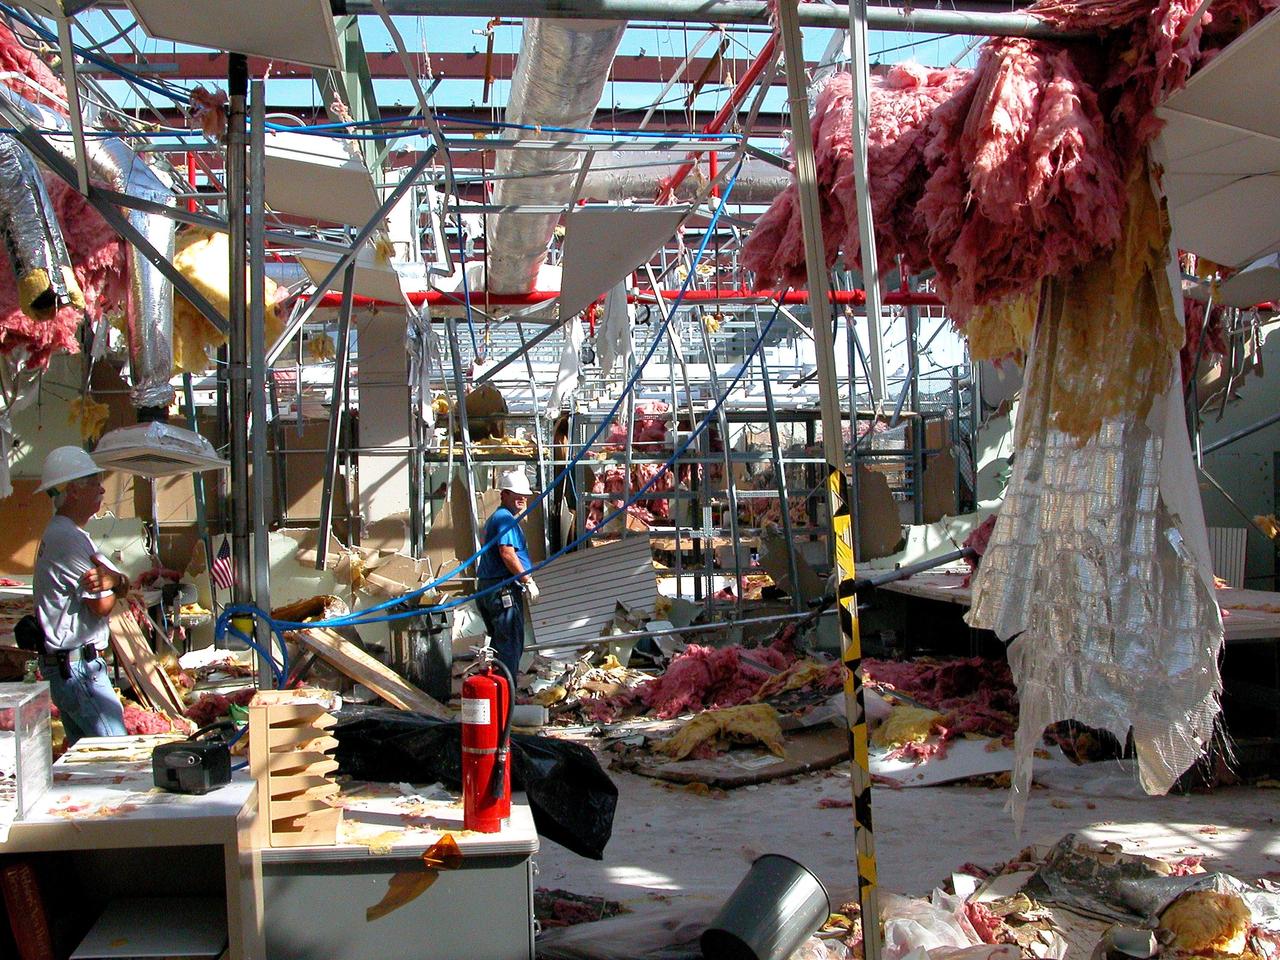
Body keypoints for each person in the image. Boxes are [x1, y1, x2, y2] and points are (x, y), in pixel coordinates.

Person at [32, 446, 128, 745]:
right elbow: (101, 605)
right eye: (94, 483)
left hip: (72, 667)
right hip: (78, 669)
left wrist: (115, 581)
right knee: (117, 754)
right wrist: (117, 584)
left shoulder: (70, 533)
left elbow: (116, 582)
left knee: (90, 763)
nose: (102, 489)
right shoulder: (68, 538)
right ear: (73, 491)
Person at [475, 470, 540, 680]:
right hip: (502, 589)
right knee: (510, 646)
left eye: (525, 494)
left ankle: (496, 693)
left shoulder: (497, 518)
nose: (522, 498)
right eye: (516, 494)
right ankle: (506, 697)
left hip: (490, 587)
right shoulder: (505, 520)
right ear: (504, 495)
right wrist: (527, 580)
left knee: (498, 645)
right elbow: (507, 553)